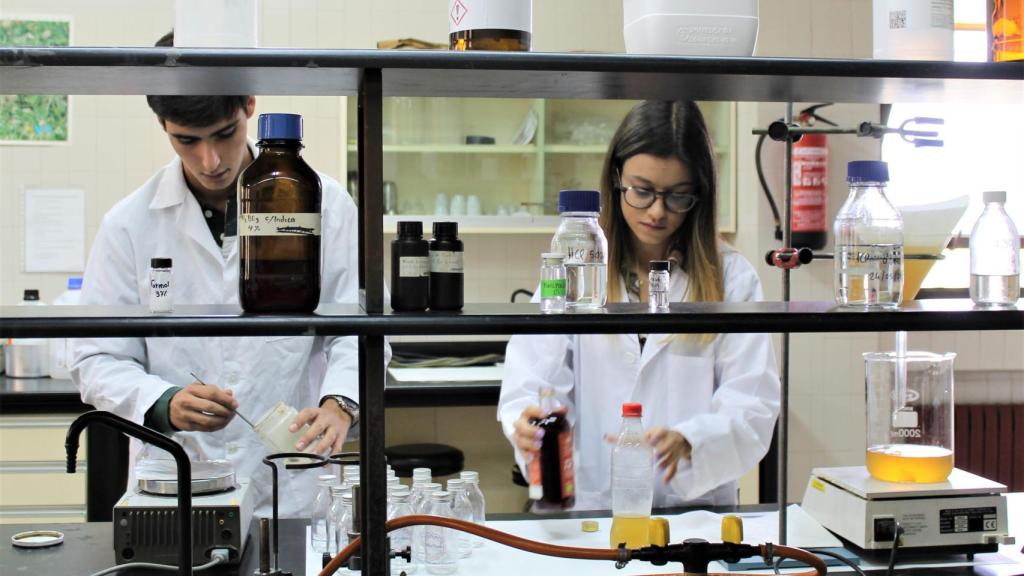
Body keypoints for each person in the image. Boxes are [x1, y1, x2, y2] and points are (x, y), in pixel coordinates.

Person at [71, 31, 378, 518]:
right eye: (186, 141)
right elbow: (96, 356)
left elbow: (357, 331)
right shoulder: (130, 224)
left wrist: (342, 403)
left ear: (250, 106)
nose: (209, 161)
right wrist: (163, 401)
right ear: (162, 126)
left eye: (223, 134)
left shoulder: (327, 205)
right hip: (177, 476)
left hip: (291, 477)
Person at [498, 101, 780, 510]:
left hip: (694, 513)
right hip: (591, 507)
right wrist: (525, 422)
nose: (658, 211)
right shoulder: (576, 266)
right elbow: (534, 378)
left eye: (678, 196)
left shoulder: (732, 279)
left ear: (700, 194)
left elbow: (753, 403)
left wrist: (693, 440)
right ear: (616, 178)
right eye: (642, 191)